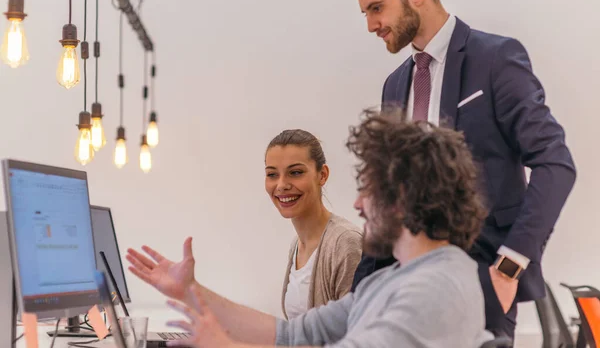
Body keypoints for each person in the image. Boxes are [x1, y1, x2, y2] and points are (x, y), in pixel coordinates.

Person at [348, 0, 577, 338]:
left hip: (481, 282)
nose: (371, 24)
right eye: (365, 13)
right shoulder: (395, 84)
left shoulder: (495, 59)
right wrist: (361, 291)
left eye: (376, 8)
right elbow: (391, 194)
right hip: (400, 284)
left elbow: (555, 163)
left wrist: (508, 267)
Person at [126, 109, 491, 348]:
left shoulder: (433, 290)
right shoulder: (396, 279)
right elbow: (293, 335)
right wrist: (190, 290)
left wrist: (223, 345)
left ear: (402, 195)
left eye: (369, 189)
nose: (358, 203)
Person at [265, 129, 362, 318]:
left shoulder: (345, 243)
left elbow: (356, 332)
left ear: (322, 175)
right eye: (272, 174)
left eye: (295, 172)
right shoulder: (296, 245)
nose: (282, 184)